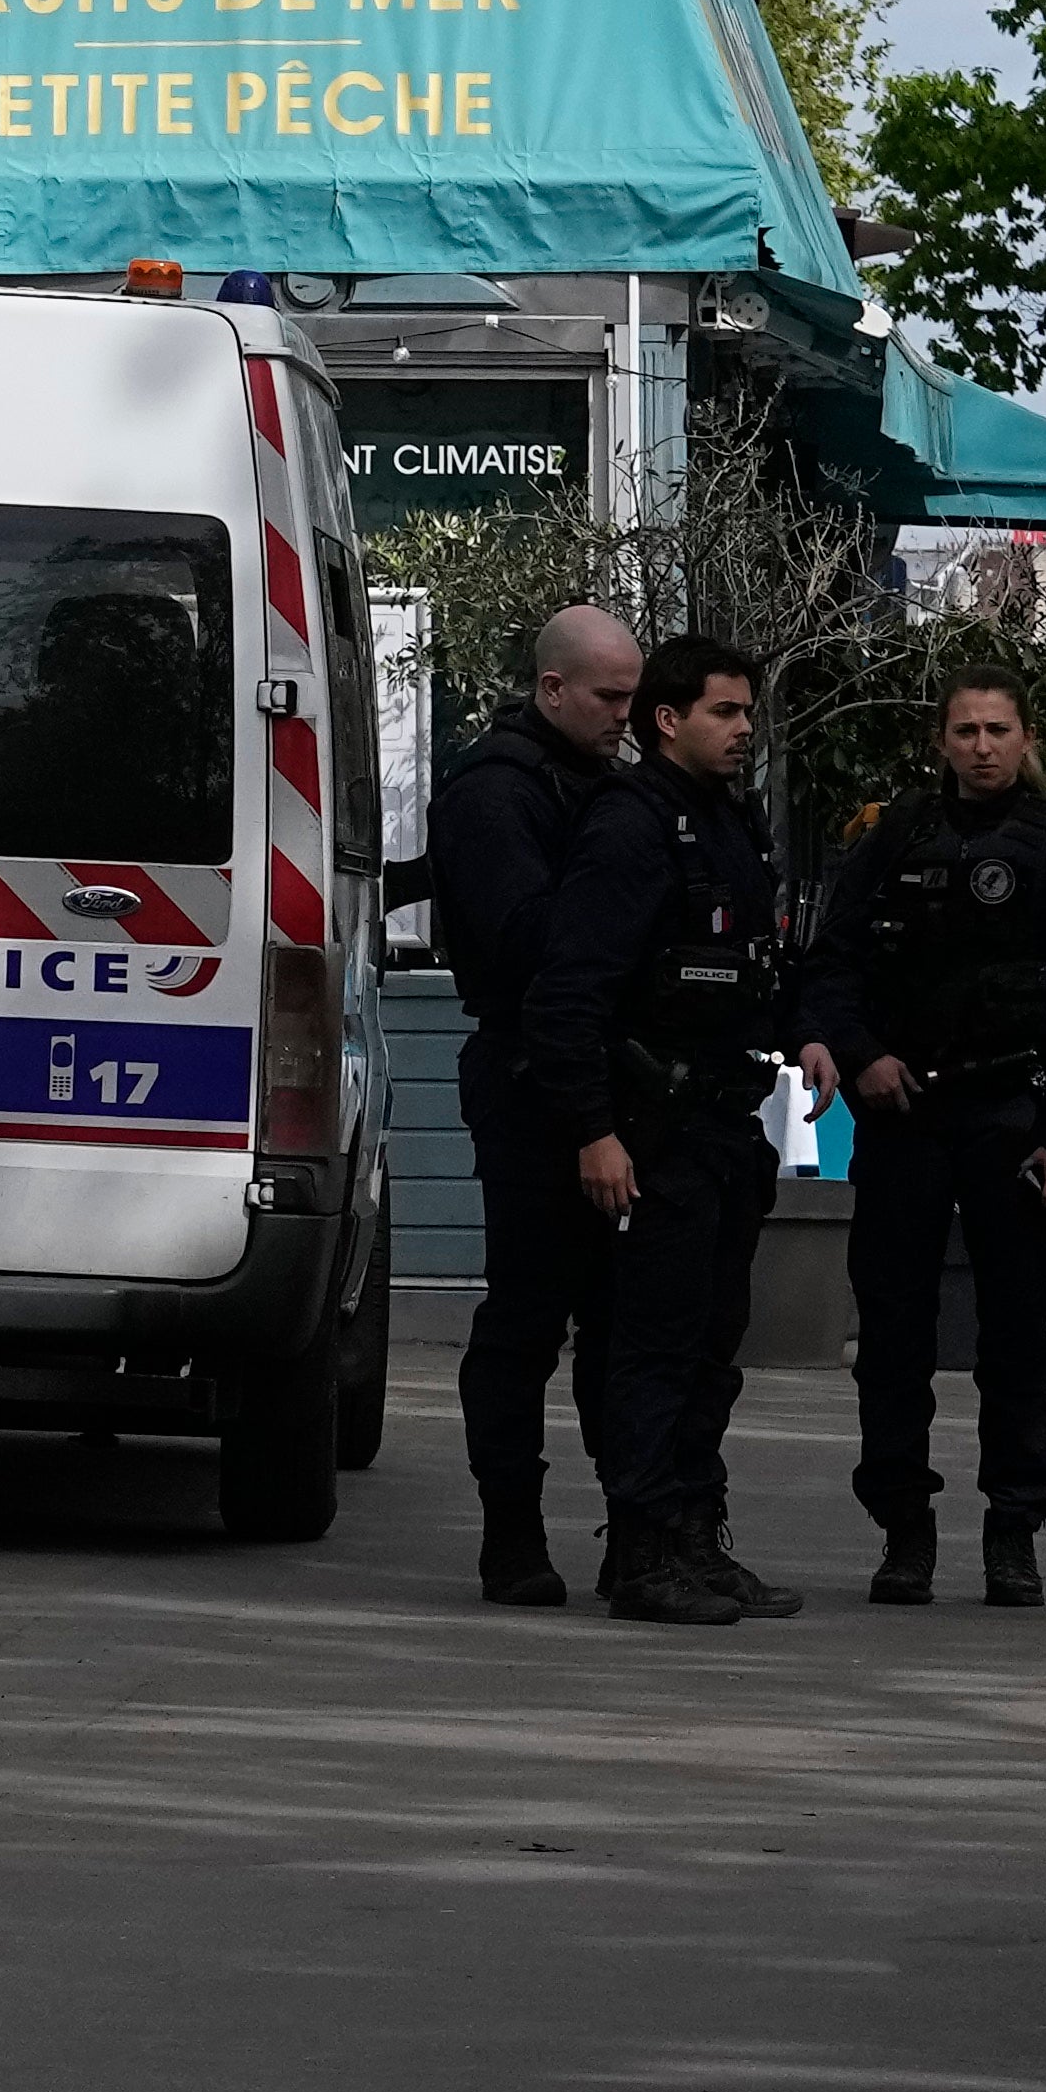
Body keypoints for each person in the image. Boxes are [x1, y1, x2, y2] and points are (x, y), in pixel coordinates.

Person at [798, 676, 1046, 1609]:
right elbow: (833, 965)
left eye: (999, 730)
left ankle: (1013, 1530)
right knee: (894, 1332)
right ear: (940, 740)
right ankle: (904, 1528)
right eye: (965, 730)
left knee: (1015, 1337)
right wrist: (859, 1056)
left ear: (1027, 739)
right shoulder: (894, 837)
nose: (982, 746)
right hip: (906, 1117)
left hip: (1011, 1121)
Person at [531, 633, 795, 1627]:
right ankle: (641, 1548)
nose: (742, 730)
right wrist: (596, 1132)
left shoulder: (728, 822)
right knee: (651, 1346)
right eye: (724, 712)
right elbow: (573, 994)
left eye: (747, 712)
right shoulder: (632, 827)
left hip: (725, 1123)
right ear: (667, 720)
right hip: (655, 1129)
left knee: (710, 1349)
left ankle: (690, 1531)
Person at [436, 604, 643, 1607]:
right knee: (529, 1315)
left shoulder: (602, 787)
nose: (624, 716)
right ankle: (511, 1530)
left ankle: (630, 1525)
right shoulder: (495, 793)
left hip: (605, 1071)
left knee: (616, 1320)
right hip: (528, 1076)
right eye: (608, 697)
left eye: (634, 698)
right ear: (552, 688)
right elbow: (527, 940)